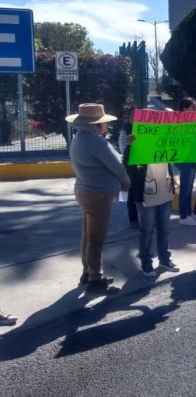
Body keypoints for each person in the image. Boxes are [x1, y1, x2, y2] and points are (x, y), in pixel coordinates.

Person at [67, 103, 131, 295]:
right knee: (96, 238)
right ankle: (96, 278)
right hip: (98, 195)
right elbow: (116, 164)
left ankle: (87, 272)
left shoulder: (80, 138)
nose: (107, 126)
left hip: (85, 191)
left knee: (87, 235)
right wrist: (126, 180)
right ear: (95, 124)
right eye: (104, 123)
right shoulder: (96, 142)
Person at [124, 145, 179, 276]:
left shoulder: (166, 144)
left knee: (164, 230)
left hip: (165, 192)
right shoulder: (137, 147)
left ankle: (165, 259)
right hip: (146, 196)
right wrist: (130, 147)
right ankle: (146, 263)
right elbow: (127, 169)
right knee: (146, 231)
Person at [175, 97, 196, 226]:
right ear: (184, 109)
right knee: (185, 187)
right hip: (182, 158)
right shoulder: (177, 123)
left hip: (191, 156)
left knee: (189, 187)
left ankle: (188, 213)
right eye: (193, 107)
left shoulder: (194, 122)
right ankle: (183, 215)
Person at [118, 107, 139, 228]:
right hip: (130, 165)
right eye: (132, 115)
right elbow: (123, 149)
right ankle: (133, 219)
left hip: (143, 165)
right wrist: (130, 144)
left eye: (137, 115)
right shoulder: (125, 129)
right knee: (131, 193)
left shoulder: (145, 127)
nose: (135, 118)